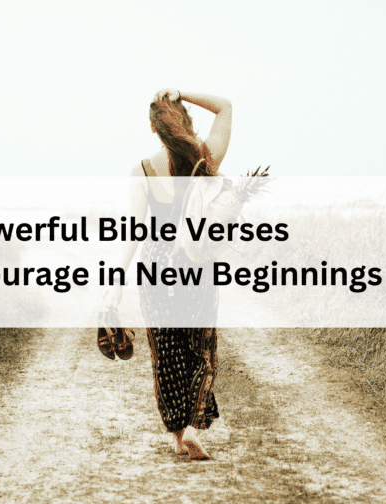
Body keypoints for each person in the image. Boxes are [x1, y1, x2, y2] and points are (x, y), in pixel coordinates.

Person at [102, 88, 232, 460]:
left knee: (167, 354)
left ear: (153, 128)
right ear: (186, 120)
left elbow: (132, 232)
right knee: (201, 350)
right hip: (195, 263)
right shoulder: (204, 157)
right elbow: (225, 107)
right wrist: (183, 92)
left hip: (156, 267)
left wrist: (116, 281)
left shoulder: (142, 171)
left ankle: (177, 438)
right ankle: (192, 429)